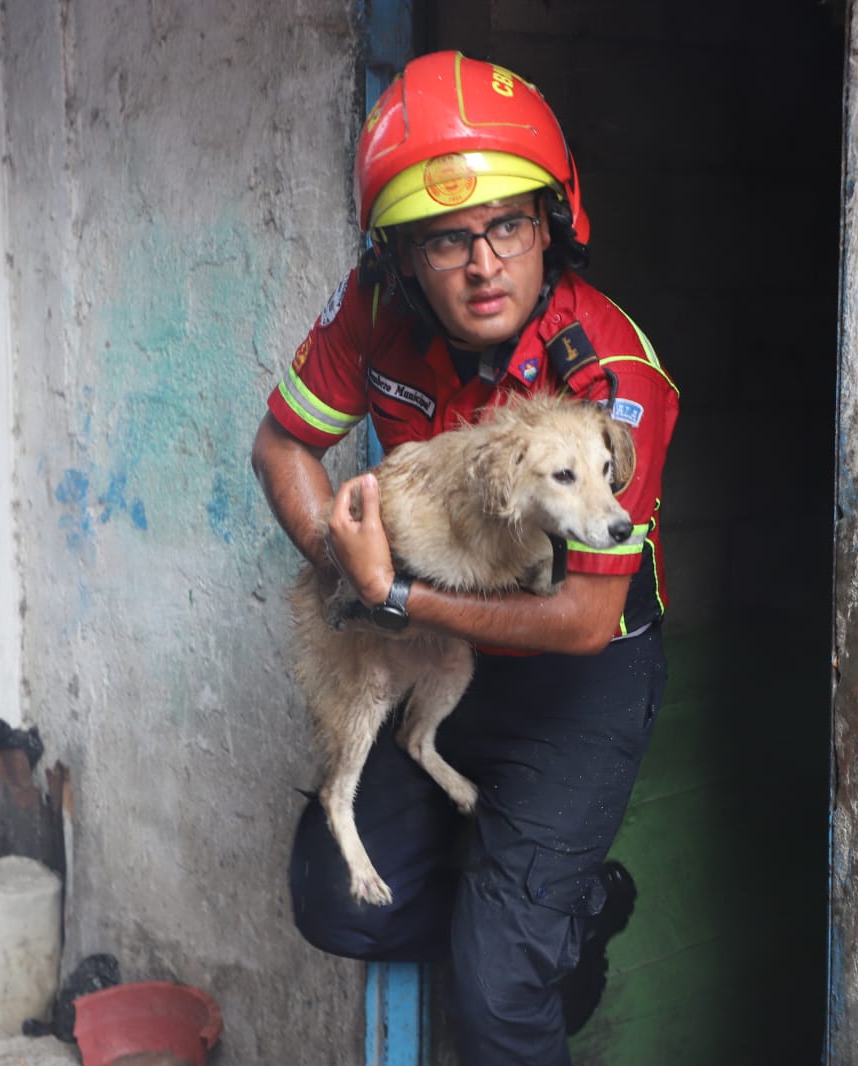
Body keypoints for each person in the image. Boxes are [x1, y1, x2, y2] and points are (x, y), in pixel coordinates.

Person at [251, 50, 679, 1065]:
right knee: (340, 907)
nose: (482, 263)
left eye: (506, 225)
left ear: (551, 225)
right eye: (446, 239)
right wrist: (335, 556)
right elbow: (283, 443)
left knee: (495, 992)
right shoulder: (374, 308)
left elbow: (578, 617)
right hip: (435, 645)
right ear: (400, 255)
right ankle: (542, 915)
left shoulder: (611, 374)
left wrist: (392, 593)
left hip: (577, 673)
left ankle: (529, 931)